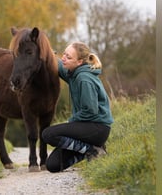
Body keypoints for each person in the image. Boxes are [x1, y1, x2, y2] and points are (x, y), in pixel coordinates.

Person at [42, 42, 114, 173]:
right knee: (53, 165)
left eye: (68, 57)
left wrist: (72, 120)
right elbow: (60, 67)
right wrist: (47, 53)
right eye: (64, 54)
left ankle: (92, 151)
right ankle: (92, 149)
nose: (64, 58)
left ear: (80, 61)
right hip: (86, 126)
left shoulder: (83, 79)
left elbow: (91, 111)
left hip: (97, 128)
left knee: (48, 134)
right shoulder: (74, 73)